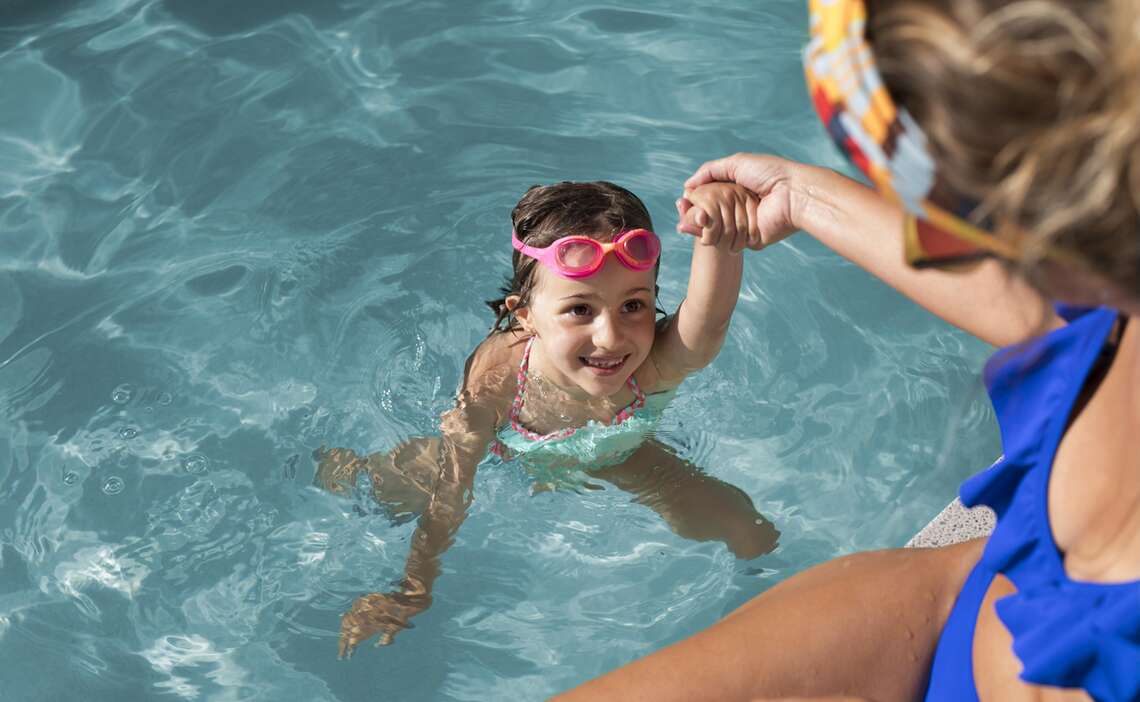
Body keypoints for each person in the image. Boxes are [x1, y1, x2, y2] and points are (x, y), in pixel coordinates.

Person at [554, 0, 1140, 700]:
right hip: (957, 597)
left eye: (929, 206)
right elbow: (1042, 302)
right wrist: (803, 196)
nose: (929, 240)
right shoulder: (1112, 312)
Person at [317, 179, 780, 656]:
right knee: (393, 487)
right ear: (525, 316)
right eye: (580, 308)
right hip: (507, 451)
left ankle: (775, 610)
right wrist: (415, 588)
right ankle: (344, 468)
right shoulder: (499, 376)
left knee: (747, 527)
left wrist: (718, 236)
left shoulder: (656, 362)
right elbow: (453, 490)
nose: (611, 337)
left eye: (634, 305)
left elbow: (709, 321)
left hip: (619, 453)